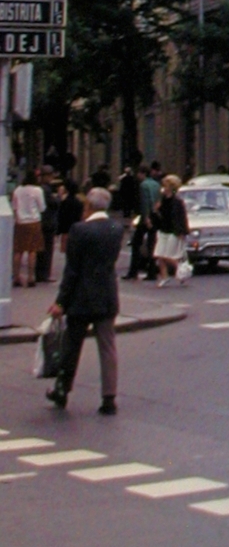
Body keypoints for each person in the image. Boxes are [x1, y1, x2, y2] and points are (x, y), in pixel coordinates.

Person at [46, 186, 124, 415]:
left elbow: (72, 271)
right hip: (107, 296)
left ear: (88, 206)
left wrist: (61, 302)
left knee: (72, 346)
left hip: (81, 298)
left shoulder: (79, 230)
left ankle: (62, 390)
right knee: (107, 347)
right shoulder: (116, 228)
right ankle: (109, 397)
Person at [153, 175, 190, 285]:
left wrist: (183, 231)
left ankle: (181, 271)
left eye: (165, 185)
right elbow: (159, 215)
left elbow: (182, 217)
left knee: (169, 256)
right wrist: (156, 210)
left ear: (170, 187)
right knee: (159, 255)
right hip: (163, 230)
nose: (163, 188)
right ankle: (165, 277)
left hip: (173, 231)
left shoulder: (177, 201)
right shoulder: (162, 200)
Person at [12, 169, 46, 288]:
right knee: (32, 250)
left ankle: (16, 277)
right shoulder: (37, 190)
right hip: (33, 221)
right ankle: (31, 277)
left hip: (20, 222)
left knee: (18, 251)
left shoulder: (17, 190)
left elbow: (14, 207)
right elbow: (42, 208)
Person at [126, 163, 160, 281]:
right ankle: (152, 271)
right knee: (152, 244)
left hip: (146, 216)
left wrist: (145, 218)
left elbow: (145, 202)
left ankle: (133, 271)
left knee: (136, 243)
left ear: (142, 174)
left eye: (139, 174)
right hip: (155, 215)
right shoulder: (156, 184)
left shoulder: (143, 185)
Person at [56, 178, 84, 259]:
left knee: (65, 251)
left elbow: (61, 216)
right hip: (76, 228)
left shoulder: (64, 202)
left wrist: (58, 231)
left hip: (66, 229)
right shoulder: (79, 202)